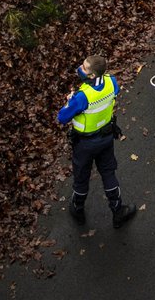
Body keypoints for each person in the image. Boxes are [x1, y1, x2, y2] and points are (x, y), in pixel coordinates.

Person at [57, 54, 137, 230]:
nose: (80, 68)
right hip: (106, 138)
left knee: (81, 178)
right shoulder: (112, 82)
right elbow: (112, 94)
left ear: (91, 76)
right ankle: (118, 211)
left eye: (84, 68)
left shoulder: (82, 96)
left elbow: (62, 117)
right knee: (108, 173)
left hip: (84, 144)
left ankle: (77, 210)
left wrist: (69, 101)